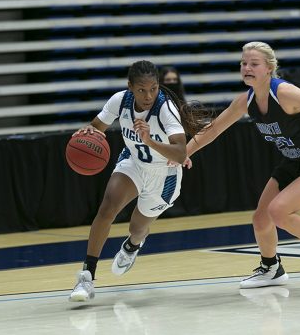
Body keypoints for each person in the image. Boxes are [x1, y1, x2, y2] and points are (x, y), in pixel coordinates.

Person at [182, 42, 300, 292]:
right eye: (244, 63)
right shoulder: (246, 101)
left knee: (278, 211)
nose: (247, 68)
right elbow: (214, 130)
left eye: (254, 64)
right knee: (261, 218)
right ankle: (271, 268)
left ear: (269, 69)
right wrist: (184, 153)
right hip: (294, 161)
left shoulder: (285, 93)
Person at [69, 60, 211, 302]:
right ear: (130, 87)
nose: (148, 95)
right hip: (133, 161)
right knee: (107, 207)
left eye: (153, 89)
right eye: (142, 90)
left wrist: (150, 141)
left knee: (137, 228)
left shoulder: (166, 109)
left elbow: (180, 153)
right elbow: (97, 127)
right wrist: (87, 133)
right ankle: (86, 277)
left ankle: (133, 245)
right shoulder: (119, 101)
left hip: (163, 174)